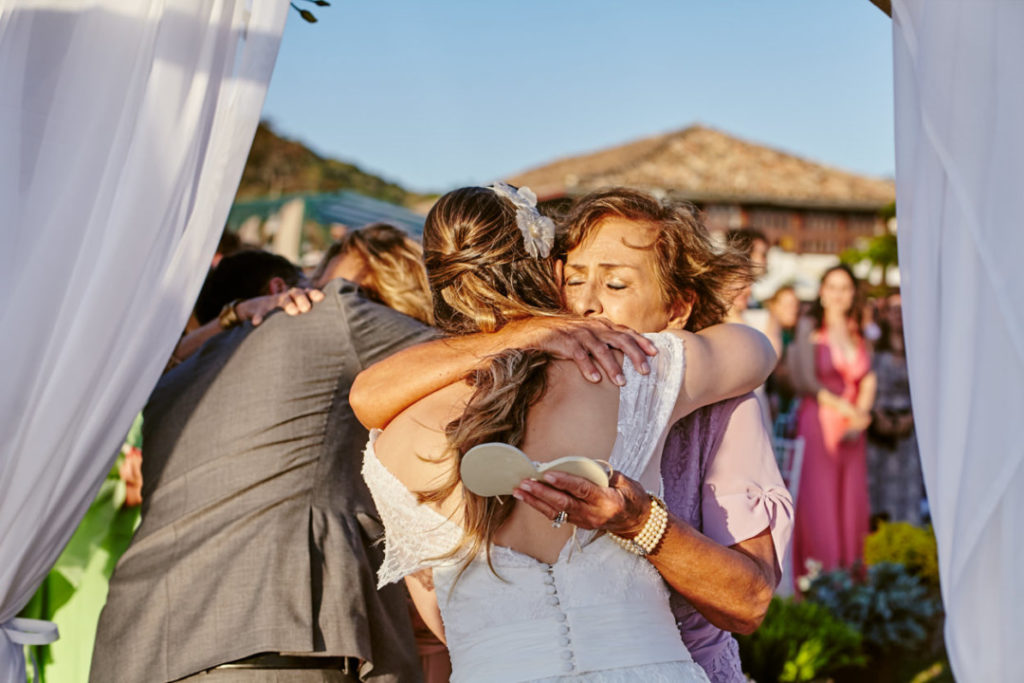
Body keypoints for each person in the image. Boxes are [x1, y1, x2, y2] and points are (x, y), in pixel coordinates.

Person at [353, 188, 792, 683]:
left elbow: (443, 615)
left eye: (617, 285)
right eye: (575, 279)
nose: (586, 305)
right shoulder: (636, 372)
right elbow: (756, 347)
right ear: (544, 272)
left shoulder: (395, 432)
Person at [788, 264, 877, 578]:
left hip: (854, 428)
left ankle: (851, 577)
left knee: (851, 502)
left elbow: (868, 376)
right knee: (820, 504)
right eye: (833, 287)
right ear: (822, 291)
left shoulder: (859, 328)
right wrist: (846, 408)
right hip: (820, 421)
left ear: (853, 293)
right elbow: (807, 382)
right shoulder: (810, 325)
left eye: (845, 288)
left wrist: (861, 415)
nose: (839, 294)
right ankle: (820, 579)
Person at [866, 293, 926, 525]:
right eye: (892, 309)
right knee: (880, 486)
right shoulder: (875, 347)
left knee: (907, 484)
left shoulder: (919, 348)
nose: (897, 315)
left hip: (908, 426)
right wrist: (879, 416)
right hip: (880, 426)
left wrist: (910, 419)